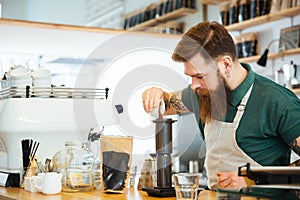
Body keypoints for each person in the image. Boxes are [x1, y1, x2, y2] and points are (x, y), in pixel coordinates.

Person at [142, 21, 300, 190]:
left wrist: (255, 180)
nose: (194, 85)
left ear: (226, 64)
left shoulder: (278, 102)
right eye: (190, 77)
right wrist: (155, 93)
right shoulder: (202, 93)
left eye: (200, 76)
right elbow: (164, 106)